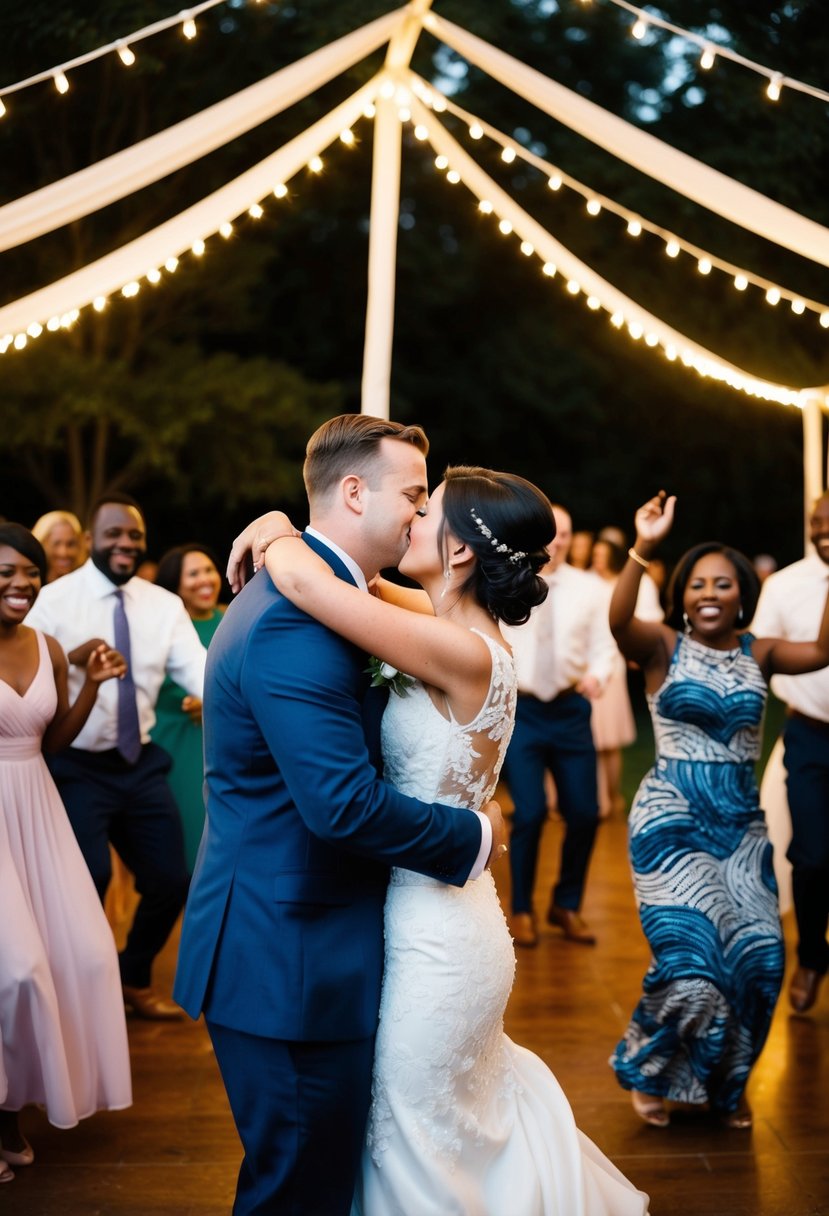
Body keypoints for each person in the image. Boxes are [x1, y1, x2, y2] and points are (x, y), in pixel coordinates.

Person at [237, 461, 649, 1215]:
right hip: (431, 910)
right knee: (432, 1127)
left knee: (418, 1133)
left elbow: (309, 586)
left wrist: (275, 529)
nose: (410, 517)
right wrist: (279, 531)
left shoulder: (461, 651)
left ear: (460, 549)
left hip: (437, 937)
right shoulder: (441, 626)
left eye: (426, 510)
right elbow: (344, 583)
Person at [174, 416, 507, 1216]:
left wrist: (277, 530)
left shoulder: (336, 597)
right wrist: (476, 836)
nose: (418, 515)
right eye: (413, 495)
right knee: (297, 1190)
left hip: (314, 946)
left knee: (318, 1178)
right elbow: (342, 807)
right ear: (354, 492)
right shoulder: (297, 617)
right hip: (289, 960)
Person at [608, 491, 829, 1130]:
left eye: (723, 583)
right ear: (682, 594)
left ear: (741, 596)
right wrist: (642, 549)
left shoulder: (761, 652)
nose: (709, 592)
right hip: (671, 821)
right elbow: (620, 621)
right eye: (698, 583)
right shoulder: (659, 648)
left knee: (759, 960)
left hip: (741, 825)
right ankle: (649, 1071)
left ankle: (726, 1084)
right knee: (692, 964)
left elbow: (821, 651)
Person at [25, 494, 207, 1020]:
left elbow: (198, 673)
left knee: (171, 880)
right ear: (89, 540)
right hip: (74, 764)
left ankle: (131, 976)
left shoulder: (163, 605)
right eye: (113, 535)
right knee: (90, 880)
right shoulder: (53, 602)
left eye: (134, 535)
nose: (125, 544)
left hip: (139, 763)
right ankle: (76, 993)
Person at [0, 524, 132, 1183]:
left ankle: (17, 1104)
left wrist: (92, 685)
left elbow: (50, 743)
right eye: (5, 572)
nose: (20, 584)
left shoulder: (47, 646)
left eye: (29, 572)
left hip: (38, 808)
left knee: (81, 953)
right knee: (16, 969)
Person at [501, 503, 617, 947]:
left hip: (571, 711)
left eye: (565, 533)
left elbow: (606, 644)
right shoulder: (509, 580)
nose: (558, 540)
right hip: (524, 711)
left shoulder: (591, 589)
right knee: (529, 813)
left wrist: (599, 674)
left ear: (572, 538)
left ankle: (566, 905)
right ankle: (523, 909)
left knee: (585, 814)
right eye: (551, 532)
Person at [752, 490, 829, 1013]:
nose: (824, 529)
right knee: (813, 855)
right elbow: (758, 655)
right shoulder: (784, 586)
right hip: (811, 736)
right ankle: (810, 957)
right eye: (818, 521)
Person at [151, 545, 224, 873]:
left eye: (209, 570)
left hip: (220, 747)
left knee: (213, 842)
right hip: (173, 745)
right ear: (175, 585)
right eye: (193, 574)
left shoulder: (231, 622)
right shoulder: (160, 630)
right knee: (181, 848)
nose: (205, 580)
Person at [31, 510, 85, 582]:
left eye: (70, 544)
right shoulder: (32, 587)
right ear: (41, 544)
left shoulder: (88, 585)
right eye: (56, 544)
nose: (63, 553)